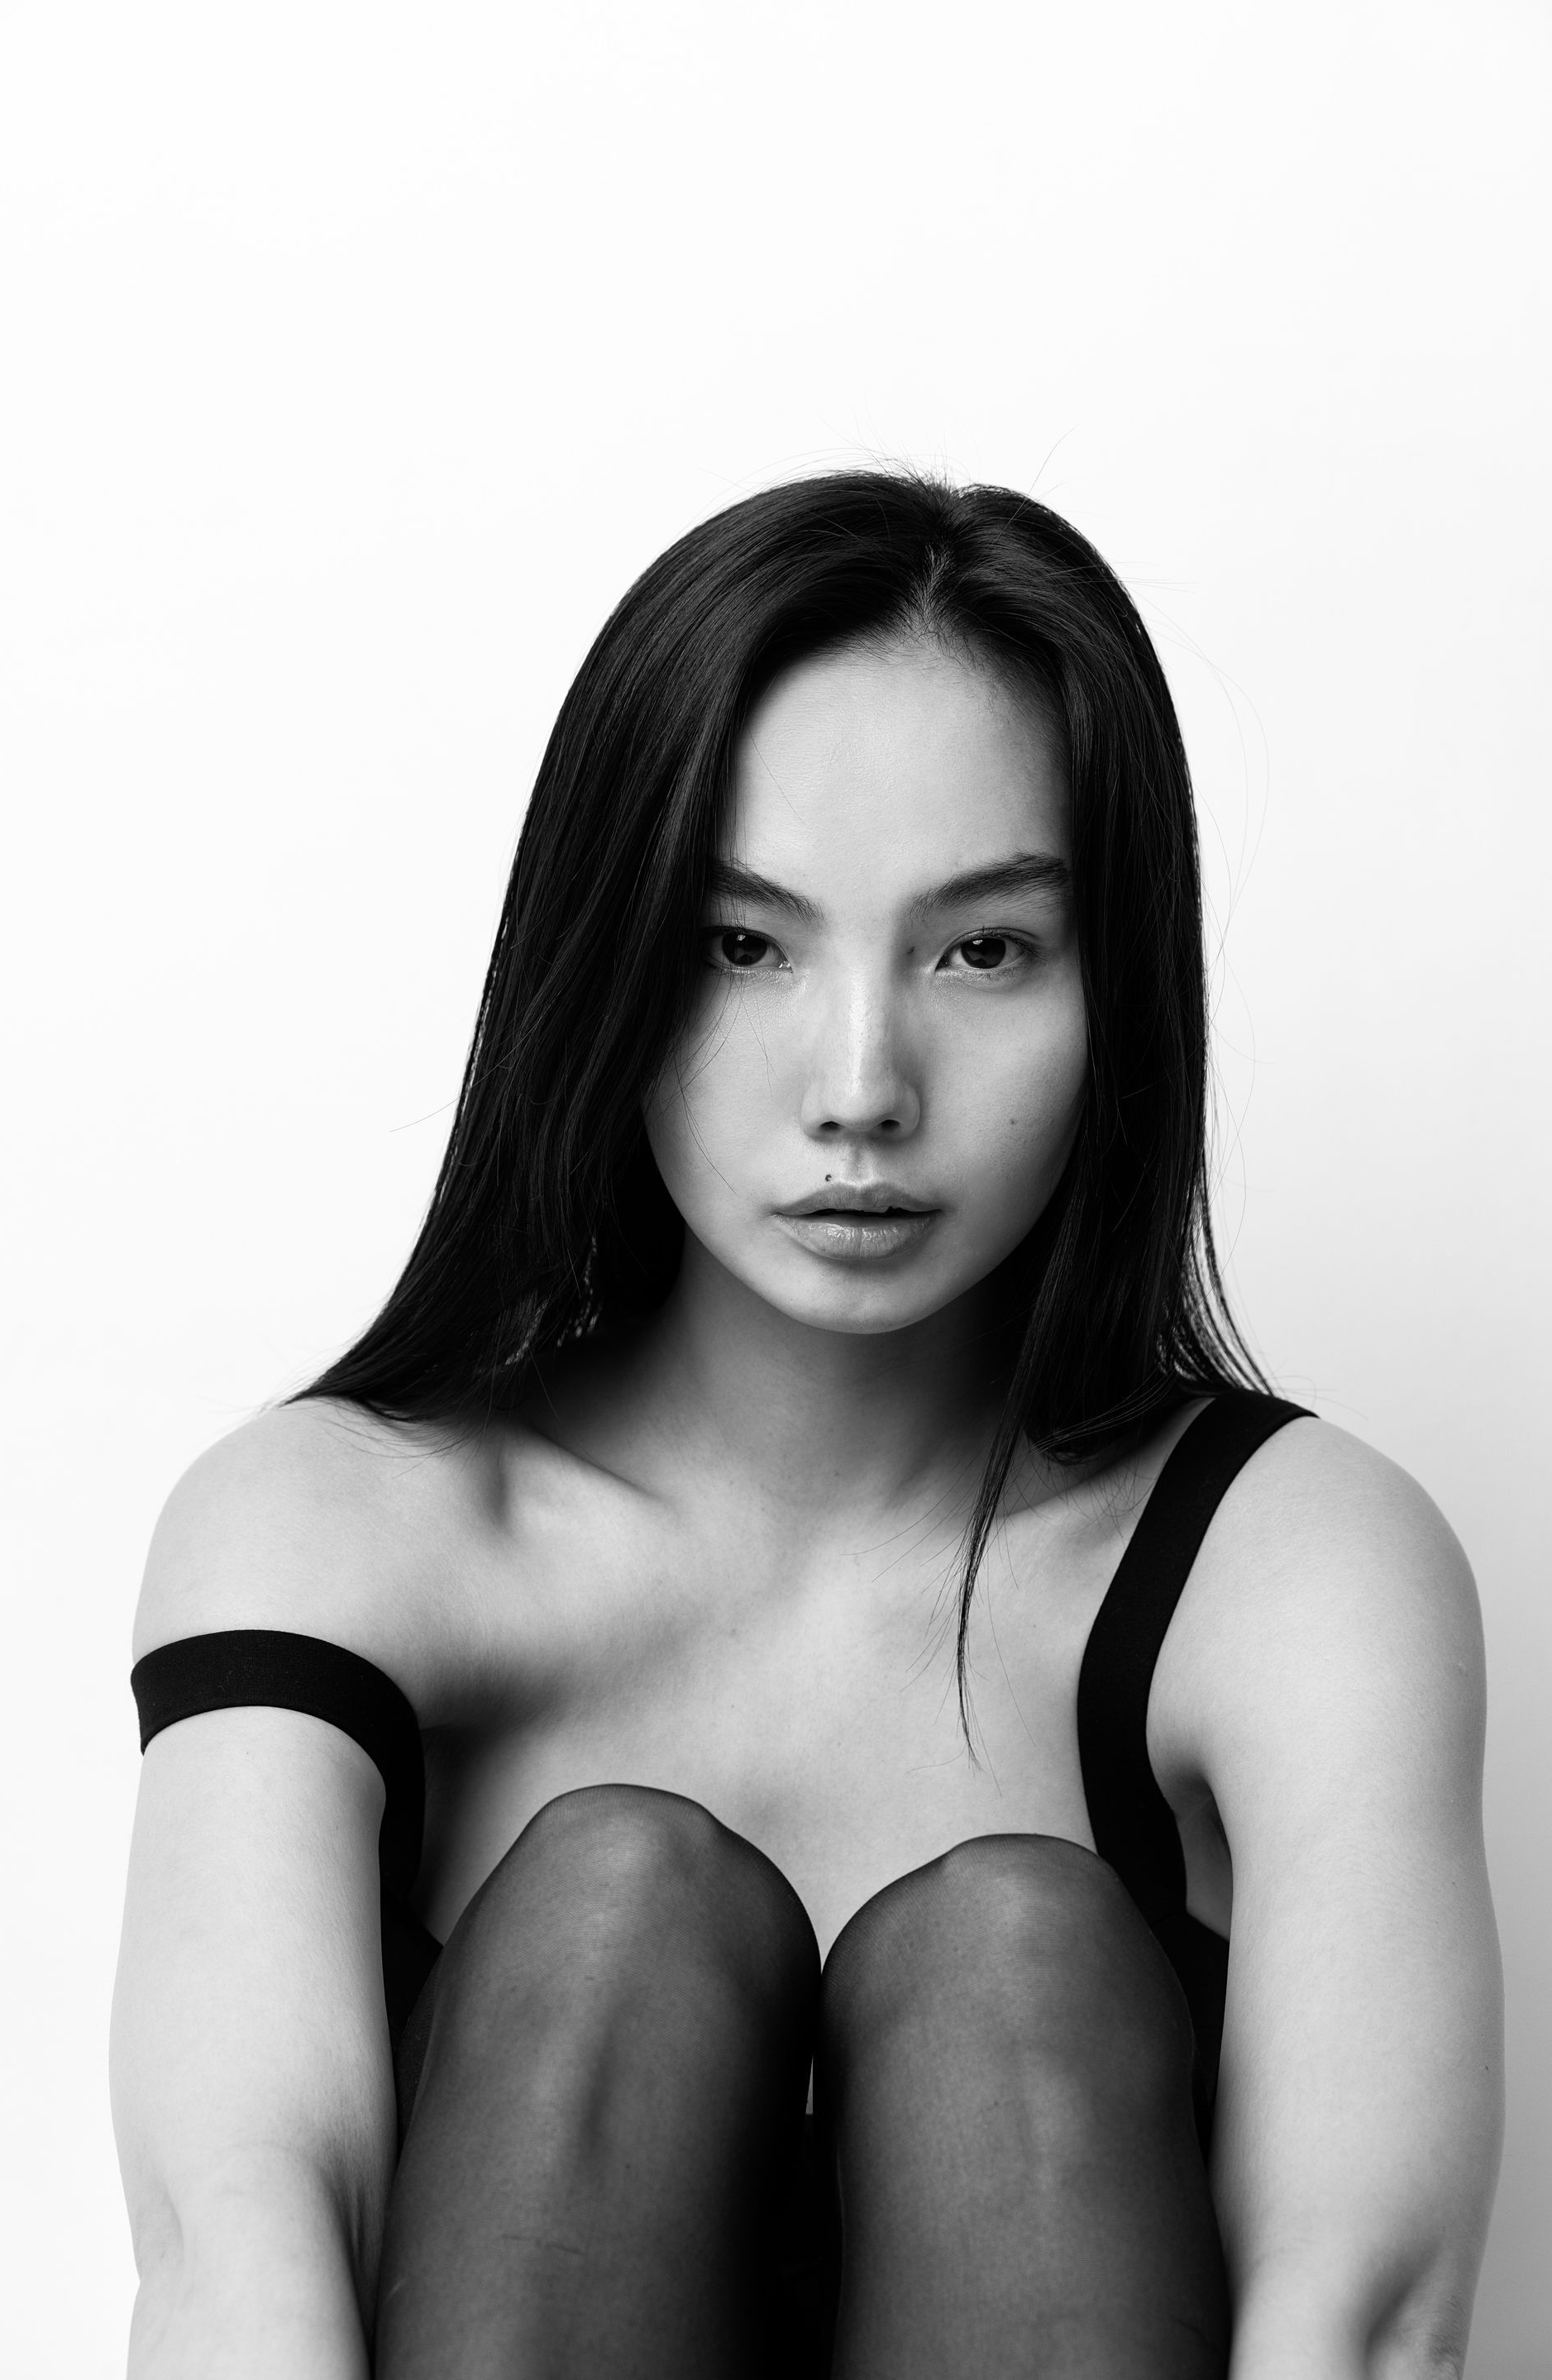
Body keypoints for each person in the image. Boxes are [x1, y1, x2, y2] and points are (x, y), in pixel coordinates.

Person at [109, 473, 1502, 2379]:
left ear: (1126, 994)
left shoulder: (1294, 1569)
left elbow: (1366, 2332)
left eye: (983, 950)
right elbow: (228, 2276)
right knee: (618, 1911)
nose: (861, 1088)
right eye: (744, 944)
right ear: (600, 962)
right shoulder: (332, 1529)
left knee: (1018, 1957)